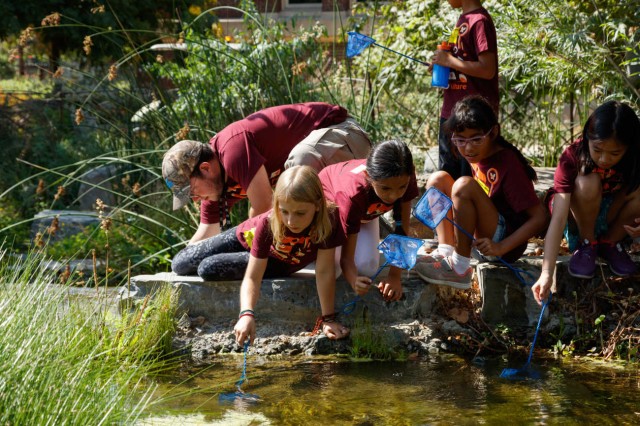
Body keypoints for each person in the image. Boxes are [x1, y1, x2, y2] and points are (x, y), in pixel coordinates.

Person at [171, 166, 350, 343]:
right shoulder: (269, 222)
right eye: (284, 211)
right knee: (179, 264)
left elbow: (325, 271)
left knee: (207, 268)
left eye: (300, 213)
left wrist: (328, 318)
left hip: (276, 260)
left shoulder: (329, 222)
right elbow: (252, 278)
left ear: (318, 205)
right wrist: (246, 313)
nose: (290, 221)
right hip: (243, 236)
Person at [162, 102, 371, 243]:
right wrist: (183, 262)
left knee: (297, 171)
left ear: (205, 169)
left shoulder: (232, 150)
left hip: (345, 135)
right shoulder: (213, 185)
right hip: (330, 164)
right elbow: (207, 231)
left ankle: (312, 249)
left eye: (191, 192)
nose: (195, 199)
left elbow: (264, 206)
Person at [415, 95, 547, 289]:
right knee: (437, 180)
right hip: (480, 238)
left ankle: (460, 268)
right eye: (460, 140)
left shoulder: (507, 162)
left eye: (476, 139)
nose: (468, 148)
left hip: (501, 245)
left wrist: (501, 246)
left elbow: (540, 217)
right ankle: (446, 253)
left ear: (493, 133)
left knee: (463, 186)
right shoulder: (476, 153)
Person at [532, 101, 640, 305]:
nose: (604, 159)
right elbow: (559, 217)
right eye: (597, 149)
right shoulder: (572, 157)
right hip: (578, 216)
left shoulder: (635, 157)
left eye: (615, 153)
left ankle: (610, 243)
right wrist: (547, 272)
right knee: (586, 181)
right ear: (588, 138)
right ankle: (587, 244)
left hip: (611, 214)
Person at [319, 140, 419, 302]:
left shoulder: (404, 176)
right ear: (368, 176)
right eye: (386, 188)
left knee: (368, 266)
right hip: (332, 211)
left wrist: (395, 276)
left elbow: (403, 230)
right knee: (334, 268)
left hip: (366, 213)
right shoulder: (352, 196)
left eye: (402, 187)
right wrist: (353, 280)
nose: (394, 195)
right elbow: (347, 259)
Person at [431, 0, 498, 180]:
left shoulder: (479, 21)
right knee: (447, 176)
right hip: (451, 112)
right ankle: (450, 210)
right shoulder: (463, 19)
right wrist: (442, 64)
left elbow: (487, 69)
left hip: (473, 116)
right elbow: (463, 62)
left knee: (472, 177)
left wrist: (449, 61)